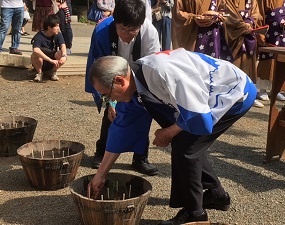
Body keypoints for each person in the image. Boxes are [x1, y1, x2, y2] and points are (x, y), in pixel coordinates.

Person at [88, 48, 257, 224]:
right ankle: (216, 194)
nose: (109, 101)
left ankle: (195, 214)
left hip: (233, 93)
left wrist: (169, 132)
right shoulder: (134, 83)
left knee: (186, 146)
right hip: (204, 99)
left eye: (107, 95)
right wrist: (101, 174)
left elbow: (198, 116)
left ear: (119, 80)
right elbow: (120, 131)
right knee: (187, 141)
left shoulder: (164, 73)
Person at [85, 0, 160, 175]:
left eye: (132, 30)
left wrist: (135, 90)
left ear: (140, 25)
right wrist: (110, 100)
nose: (126, 34)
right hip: (111, 76)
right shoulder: (103, 31)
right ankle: (101, 152)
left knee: (142, 111)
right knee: (110, 114)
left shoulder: (150, 33)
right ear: (114, 20)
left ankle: (140, 158)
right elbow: (99, 68)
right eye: (122, 29)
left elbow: (151, 67)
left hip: (139, 76)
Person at [225, 0, 264, 108]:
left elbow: (256, 13)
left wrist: (249, 22)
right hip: (233, 36)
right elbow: (228, 14)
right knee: (233, 65)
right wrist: (243, 26)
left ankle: (249, 95)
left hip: (248, 34)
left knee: (248, 64)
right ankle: (231, 95)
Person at [256, 0, 285, 101]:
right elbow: (259, 13)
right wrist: (261, 33)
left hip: (284, 33)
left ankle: (276, 89)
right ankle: (262, 90)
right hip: (270, 32)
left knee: (280, 60)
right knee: (267, 61)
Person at [31, 14, 67, 82]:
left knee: (61, 53)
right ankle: (39, 73)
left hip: (53, 61)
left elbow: (63, 45)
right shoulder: (39, 36)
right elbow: (36, 50)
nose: (58, 28)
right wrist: (51, 60)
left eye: (58, 25)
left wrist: (64, 56)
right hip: (42, 61)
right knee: (35, 54)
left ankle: (52, 72)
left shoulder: (58, 34)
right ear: (49, 27)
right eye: (56, 26)